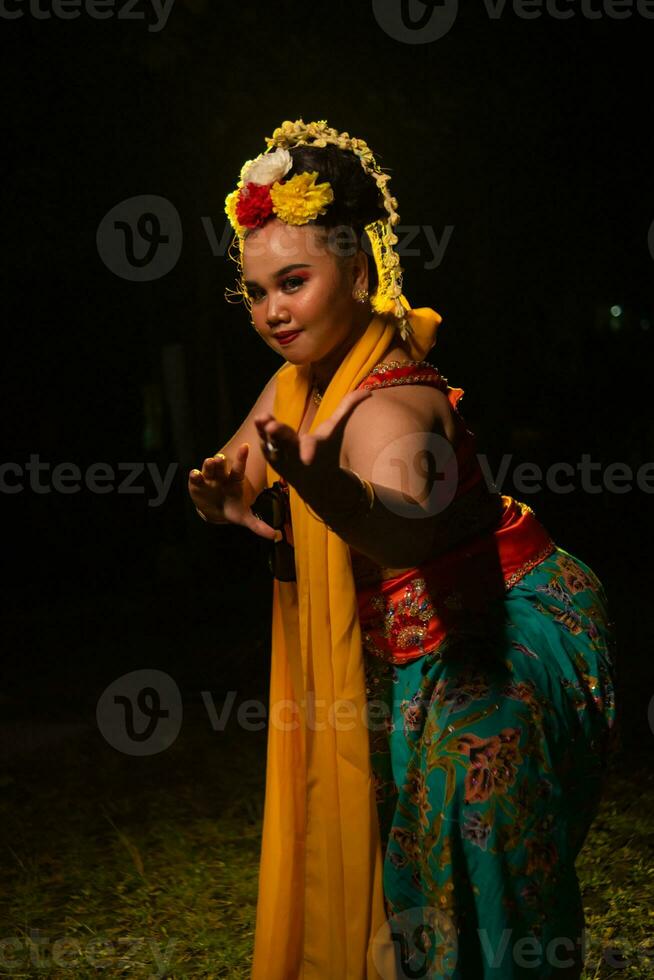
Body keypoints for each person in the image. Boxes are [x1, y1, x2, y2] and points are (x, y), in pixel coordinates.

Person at [188, 119, 618, 980]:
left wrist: (334, 495)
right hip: (405, 647)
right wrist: (222, 501)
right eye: (258, 290)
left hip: (497, 629)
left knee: (472, 842)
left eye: (295, 283)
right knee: (402, 868)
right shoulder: (295, 379)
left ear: (357, 270)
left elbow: (407, 525)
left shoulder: (391, 404)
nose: (273, 311)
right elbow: (234, 477)